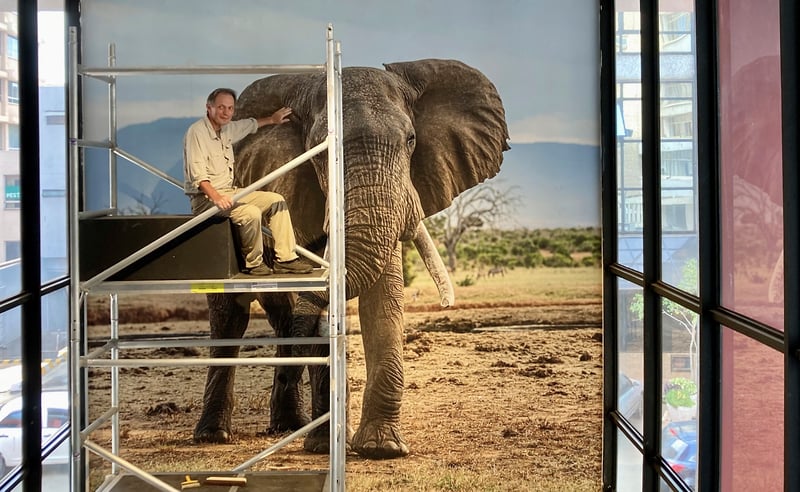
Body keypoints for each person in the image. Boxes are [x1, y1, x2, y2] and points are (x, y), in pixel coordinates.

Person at [183, 87, 312, 276]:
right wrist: (217, 198)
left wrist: (272, 119)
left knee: (276, 201)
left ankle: (286, 259)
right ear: (209, 108)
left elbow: (249, 125)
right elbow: (199, 176)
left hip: (230, 193)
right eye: (221, 107)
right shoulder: (197, 133)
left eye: (230, 108)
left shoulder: (226, 129)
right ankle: (253, 263)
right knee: (250, 212)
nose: (226, 112)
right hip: (206, 199)